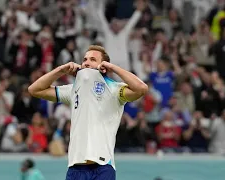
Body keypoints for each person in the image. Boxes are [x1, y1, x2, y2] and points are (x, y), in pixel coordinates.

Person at [28, 45, 148, 180]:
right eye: (84, 59)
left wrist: (112, 68)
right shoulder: (72, 90)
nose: (86, 62)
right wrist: (61, 70)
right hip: (75, 167)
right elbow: (34, 90)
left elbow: (141, 88)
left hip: (102, 166)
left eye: (92, 59)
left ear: (103, 65)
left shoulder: (114, 89)